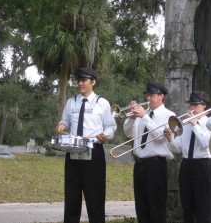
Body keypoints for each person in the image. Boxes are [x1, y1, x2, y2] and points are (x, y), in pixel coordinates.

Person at [55, 67, 117, 223]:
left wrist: (106, 135)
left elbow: (111, 126)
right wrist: (61, 125)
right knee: (71, 197)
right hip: (73, 152)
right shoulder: (71, 102)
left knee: (95, 198)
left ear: (93, 82)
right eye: (78, 81)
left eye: (84, 80)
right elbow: (65, 121)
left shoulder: (102, 103)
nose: (80, 83)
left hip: (93, 152)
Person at [123, 82, 175, 223]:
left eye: (152, 95)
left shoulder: (169, 115)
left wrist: (145, 117)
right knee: (141, 207)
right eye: (147, 95)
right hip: (139, 165)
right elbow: (129, 134)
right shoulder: (141, 115)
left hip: (156, 166)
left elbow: (160, 137)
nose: (148, 98)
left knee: (156, 208)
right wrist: (131, 118)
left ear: (161, 96)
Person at [164, 91, 211, 223]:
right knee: (187, 205)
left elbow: (205, 144)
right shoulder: (185, 125)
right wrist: (169, 139)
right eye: (190, 104)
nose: (191, 108)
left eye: (195, 105)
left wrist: (195, 125)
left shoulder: (210, 123)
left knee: (203, 206)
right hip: (186, 165)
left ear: (204, 106)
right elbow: (178, 148)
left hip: (202, 165)